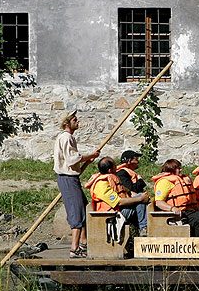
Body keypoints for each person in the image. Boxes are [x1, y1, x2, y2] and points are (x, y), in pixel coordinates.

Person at [53, 110, 100, 259]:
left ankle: (84, 243)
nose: (77, 122)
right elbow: (72, 160)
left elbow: (74, 164)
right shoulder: (66, 138)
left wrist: (87, 161)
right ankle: (74, 248)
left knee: (84, 208)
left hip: (71, 178)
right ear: (67, 122)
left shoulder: (68, 138)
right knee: (77, 212)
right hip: (67, 178)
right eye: (74, 120)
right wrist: (90, 155)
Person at [84, 157, 150, 246]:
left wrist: (143, 196)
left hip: (120, 210)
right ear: (110, 170)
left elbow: (128, 192)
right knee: (140, 200)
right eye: (115, 165)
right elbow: (118, 202)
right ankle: (143, 229)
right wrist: (140, 199)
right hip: (112, 215)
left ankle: (142, 230)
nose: (117, 166)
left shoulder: (113, 179)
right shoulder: (101, 184)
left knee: (140, 197)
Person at [152, 159, 199, 237]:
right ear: (171, 170)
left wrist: (198, 207)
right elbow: (159, 202)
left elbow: (189, 199)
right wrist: (172, 208)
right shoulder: (165, 182)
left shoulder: (183, 179)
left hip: (189, 210)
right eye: (178, 168)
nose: (181, 170)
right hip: (177, 213)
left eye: (180, 167)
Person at [116, 150, 149, 236]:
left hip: (131, 202)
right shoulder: (122, 173)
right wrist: (140, 180)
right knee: (141, 198)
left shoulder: (127, 172)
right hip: (124, 207)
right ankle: (144, 228)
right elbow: (133, 188)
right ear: (129, 161)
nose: (138, 161)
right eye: (136, 159)